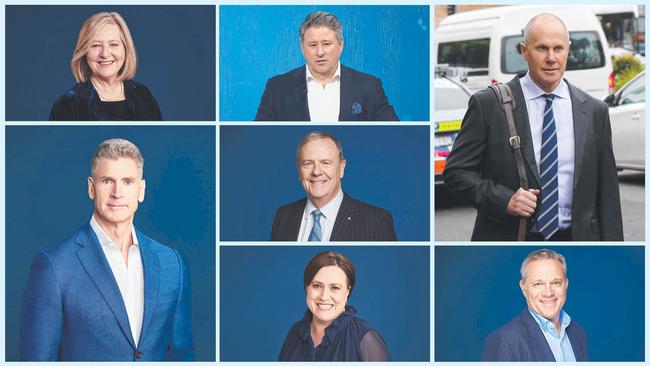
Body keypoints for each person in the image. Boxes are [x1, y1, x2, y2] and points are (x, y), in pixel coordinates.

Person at [443, 13, 623, 241]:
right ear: (524, 51)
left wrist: (615, 253)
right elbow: (456, 173)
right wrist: (504, 200)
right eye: (542, 48)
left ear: (569, 49)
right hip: (508, 241)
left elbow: (608, 197)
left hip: (579, 244)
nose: (551, 58)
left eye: (558, 48)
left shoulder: (595, 111)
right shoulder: (489, 105)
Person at [19, 139, 192, 361]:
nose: (117, 192)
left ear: (141, 190)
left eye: (128, 182)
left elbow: (182, 354)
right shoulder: (54, 266)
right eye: (107, 181)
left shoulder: (171, 262)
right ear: (91, 188)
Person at [255, 11, 398, 121]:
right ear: (302, 47)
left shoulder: (369, 86)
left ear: (340, 44)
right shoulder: (278, 87)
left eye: (327, 44)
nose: (320, 52)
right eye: (312, 45)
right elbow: (260, 137)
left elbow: (393, 133)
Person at [270, 131, 397, 241]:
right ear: (298, 169)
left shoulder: (375, 221)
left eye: (325, 163)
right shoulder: (283, 216)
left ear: (341, 167)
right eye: (308, 163)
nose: (316, 172)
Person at [49, 12, 162, 121]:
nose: (105, 54)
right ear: (84, 51)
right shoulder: (68, 104)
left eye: (113, 44)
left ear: (126, 49)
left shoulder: (143, 95)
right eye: (96, 45)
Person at [279, 251, 390, 361]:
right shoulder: (295, 333)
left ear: (347, 291)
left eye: (334, 288)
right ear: (307, 287)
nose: (324, 296)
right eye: (317, 286)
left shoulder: (366, 340)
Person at [482, 249, 588, 361]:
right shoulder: (504, 341)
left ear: (566, 284)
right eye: (538, 284)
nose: (548, 293)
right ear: (524, 288)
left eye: (556, 283)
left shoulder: (578, 332)